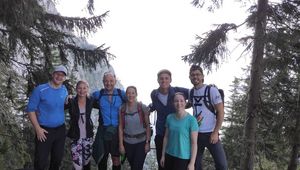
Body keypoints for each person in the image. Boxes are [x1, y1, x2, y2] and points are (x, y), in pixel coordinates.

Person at [26, 65, 68, 170]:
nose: (59, 77)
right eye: (57, 74)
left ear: (64, 78)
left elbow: (63, 102)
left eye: (62, 75)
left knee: (57, 160)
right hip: (44, 130)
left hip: (60, 130)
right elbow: (30, 109)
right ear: (53, 74)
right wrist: (38, 129)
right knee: (40, 161)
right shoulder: (40, 89)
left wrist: (69, 98)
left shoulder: (64, 89)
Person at [189, 65, 228, 170]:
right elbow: (190, 105)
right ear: (189, 77)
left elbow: (220, 111)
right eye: (192, 75)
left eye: (197, 74)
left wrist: (215, 132)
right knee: (195, 165)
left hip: (211, 133)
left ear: (202, 76)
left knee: (222, 165)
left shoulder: (211, 90)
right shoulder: (191, 92)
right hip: (196, 133)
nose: (195, 77)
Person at [149, 69, 189, 170]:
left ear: (170, 80)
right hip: (161, 133)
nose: (164, 81)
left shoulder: (177, 91)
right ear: (158, 80)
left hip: (176, 133)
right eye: (161, 79)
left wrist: (187, 106)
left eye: (166, 78)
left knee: (175, 163)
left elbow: (194, 93)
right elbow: (154, 106)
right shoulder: (154, 94)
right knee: (161, 163)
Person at [92, 71, 126, 170]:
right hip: (103, 130)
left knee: (116, 158)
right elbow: (85, 96)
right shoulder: (99, 94)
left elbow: (132, 101)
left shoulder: (120, 94)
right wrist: (71, 97)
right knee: (102, 157)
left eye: (111, 81)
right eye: (106, 81)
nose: (109, 83)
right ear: (103, 82)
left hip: (117, 130)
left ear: (115, 81)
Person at [160, 92, 198, 170]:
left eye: (181, 101)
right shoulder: (169, 117)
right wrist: (163, 155)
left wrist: (192, 163)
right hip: (169, 155)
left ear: (185, 103)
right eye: (176, 101)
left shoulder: (192, 120)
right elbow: (166, 137)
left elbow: (194, 143)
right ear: (173, 103)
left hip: (183, 158)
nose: (179, 103)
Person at [65, 80, 98, 170]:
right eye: (79, 88)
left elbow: (103, 105)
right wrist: (67, 97)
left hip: (88, 136)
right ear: (76, 89)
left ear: (87, 89)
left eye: (84, 88)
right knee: (77, 165)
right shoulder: (71, 101)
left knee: (86, 162)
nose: (82, 90)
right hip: (75, 137)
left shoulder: (91, 100)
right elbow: (59, 107)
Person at [118, 86, 151, 170]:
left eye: (133, 93)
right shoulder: (122, 109)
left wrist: (147, 142)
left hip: (141, 142)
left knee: (137, 167)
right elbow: (120, 127)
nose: (130, 95)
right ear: (126, 95)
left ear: (136, 94)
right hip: (127, 142)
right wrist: (121, 145)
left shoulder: (142, 107)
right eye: (128, 93)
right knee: (133, 166)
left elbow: (147, 126)